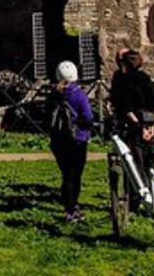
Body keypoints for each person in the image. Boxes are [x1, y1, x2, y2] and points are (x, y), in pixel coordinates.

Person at [108, 49, 154, 183]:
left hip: (134, 127)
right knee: (151, 160)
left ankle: (140, 191)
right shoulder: (146, 78)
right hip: (150, 124)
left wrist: (141, 127)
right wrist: (153, 126)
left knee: (136, 164)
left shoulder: (126, 81)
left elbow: (126, 108)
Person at [49, 60, 94, 222]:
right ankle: (72, 207)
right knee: (75, 176)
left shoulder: (53, 94)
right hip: (77, 139)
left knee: (66, 174)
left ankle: (68, 205)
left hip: (58, 139)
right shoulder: (79, 94)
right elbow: (88, 116)